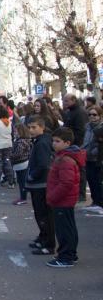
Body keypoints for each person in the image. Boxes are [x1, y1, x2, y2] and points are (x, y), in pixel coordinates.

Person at [46, 127, 84, 268]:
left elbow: (66, 183)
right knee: (68, 227)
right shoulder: (63, 157)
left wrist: (52, 197)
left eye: (57, 141)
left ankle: (66, 257)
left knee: (64, 230)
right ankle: (70, 254)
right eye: (53, 141)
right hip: (65, 199)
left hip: (63, 200)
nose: (54, 144)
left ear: (67, 143)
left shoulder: (65, 160)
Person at [25, 116, 55, 256]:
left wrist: (32, 176)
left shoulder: (42, 142)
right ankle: (43, 238)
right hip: (38, 183)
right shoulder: (39, 141)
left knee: (43, 215)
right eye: (29, 127)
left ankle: (48, 244)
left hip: (41, 184)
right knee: (40, 214)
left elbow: (43, 165)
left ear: (41, 127)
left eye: (34, 127)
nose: (31, 130)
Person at [62, 94, 88, 202]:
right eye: (64, 101)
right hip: (70, 144)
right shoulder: (70, 112)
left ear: (73, 100)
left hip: (76, 146)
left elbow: (80, 130)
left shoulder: (79, 112)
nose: (65, 103)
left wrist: (73, 143)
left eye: (67, 101)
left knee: (79, 170)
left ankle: (81, 194)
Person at [81, 105, 103, 213]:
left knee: (97, 180)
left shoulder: (100, 128)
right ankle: (95, 201)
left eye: (94, 115)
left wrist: (90, 152)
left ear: (100, 116)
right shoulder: (87, 127)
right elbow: (86, 141)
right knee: (90, 179)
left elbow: (98, 145)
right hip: (87, 157)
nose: (92, 117)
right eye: (90, 115)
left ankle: (100, 202)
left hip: (96, 158)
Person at [11, 124, 32, 206]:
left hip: (21, 163)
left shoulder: (21, 141)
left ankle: (23, 198)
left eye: (16, 131)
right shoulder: (25, 140)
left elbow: (18, 153)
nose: (15, 133)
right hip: (22, 163)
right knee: (21, 181)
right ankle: (23, 197)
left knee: (22, 182)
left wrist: (10, 155)